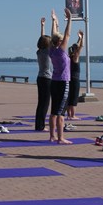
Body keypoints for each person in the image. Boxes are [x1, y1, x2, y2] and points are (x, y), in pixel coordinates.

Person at [48, 8, 73, 144]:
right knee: (61, 112)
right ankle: (60, 137)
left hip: (54, 82)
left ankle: (52, 136)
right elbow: (68, 34)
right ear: (60, 42)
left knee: (53, 110)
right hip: (63, 82)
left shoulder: (51, 50)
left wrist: (54, 20)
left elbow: (53, 35)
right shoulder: (61, 51)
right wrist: (69, 19)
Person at [34, 15, 52, 131]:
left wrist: (42, 26)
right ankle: (41, 126)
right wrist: (54, 23)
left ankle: (38, 125)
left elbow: (42, 39)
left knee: (41, 103)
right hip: (46, 79)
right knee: (45, 103)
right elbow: (50, 39)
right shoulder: (46, 52)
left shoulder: (39, 51)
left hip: (40, 78)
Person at [66, 29, 84, 121]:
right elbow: (80, 47)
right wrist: (82, 37)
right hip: (75, 79)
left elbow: (77, 47)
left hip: (69, 78)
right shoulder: (75, 58)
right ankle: (72, 115)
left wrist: (79, 38)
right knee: (74, 98)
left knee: (70, 97)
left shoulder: (69, 57)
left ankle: (69, 115)